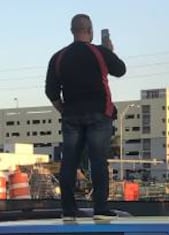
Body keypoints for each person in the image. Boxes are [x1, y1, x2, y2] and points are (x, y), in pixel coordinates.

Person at [45, 14, 126, 221]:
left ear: (72, 31)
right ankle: (100, 208)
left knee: (69, 162)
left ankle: (68, 210)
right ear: (89, 30)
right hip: (99, 113)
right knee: (98, 160)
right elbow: (120, 70)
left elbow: (51, 91)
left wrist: (64, 109)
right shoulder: (99, 52)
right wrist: (109, 51)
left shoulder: (58, 57)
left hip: (71, 115)